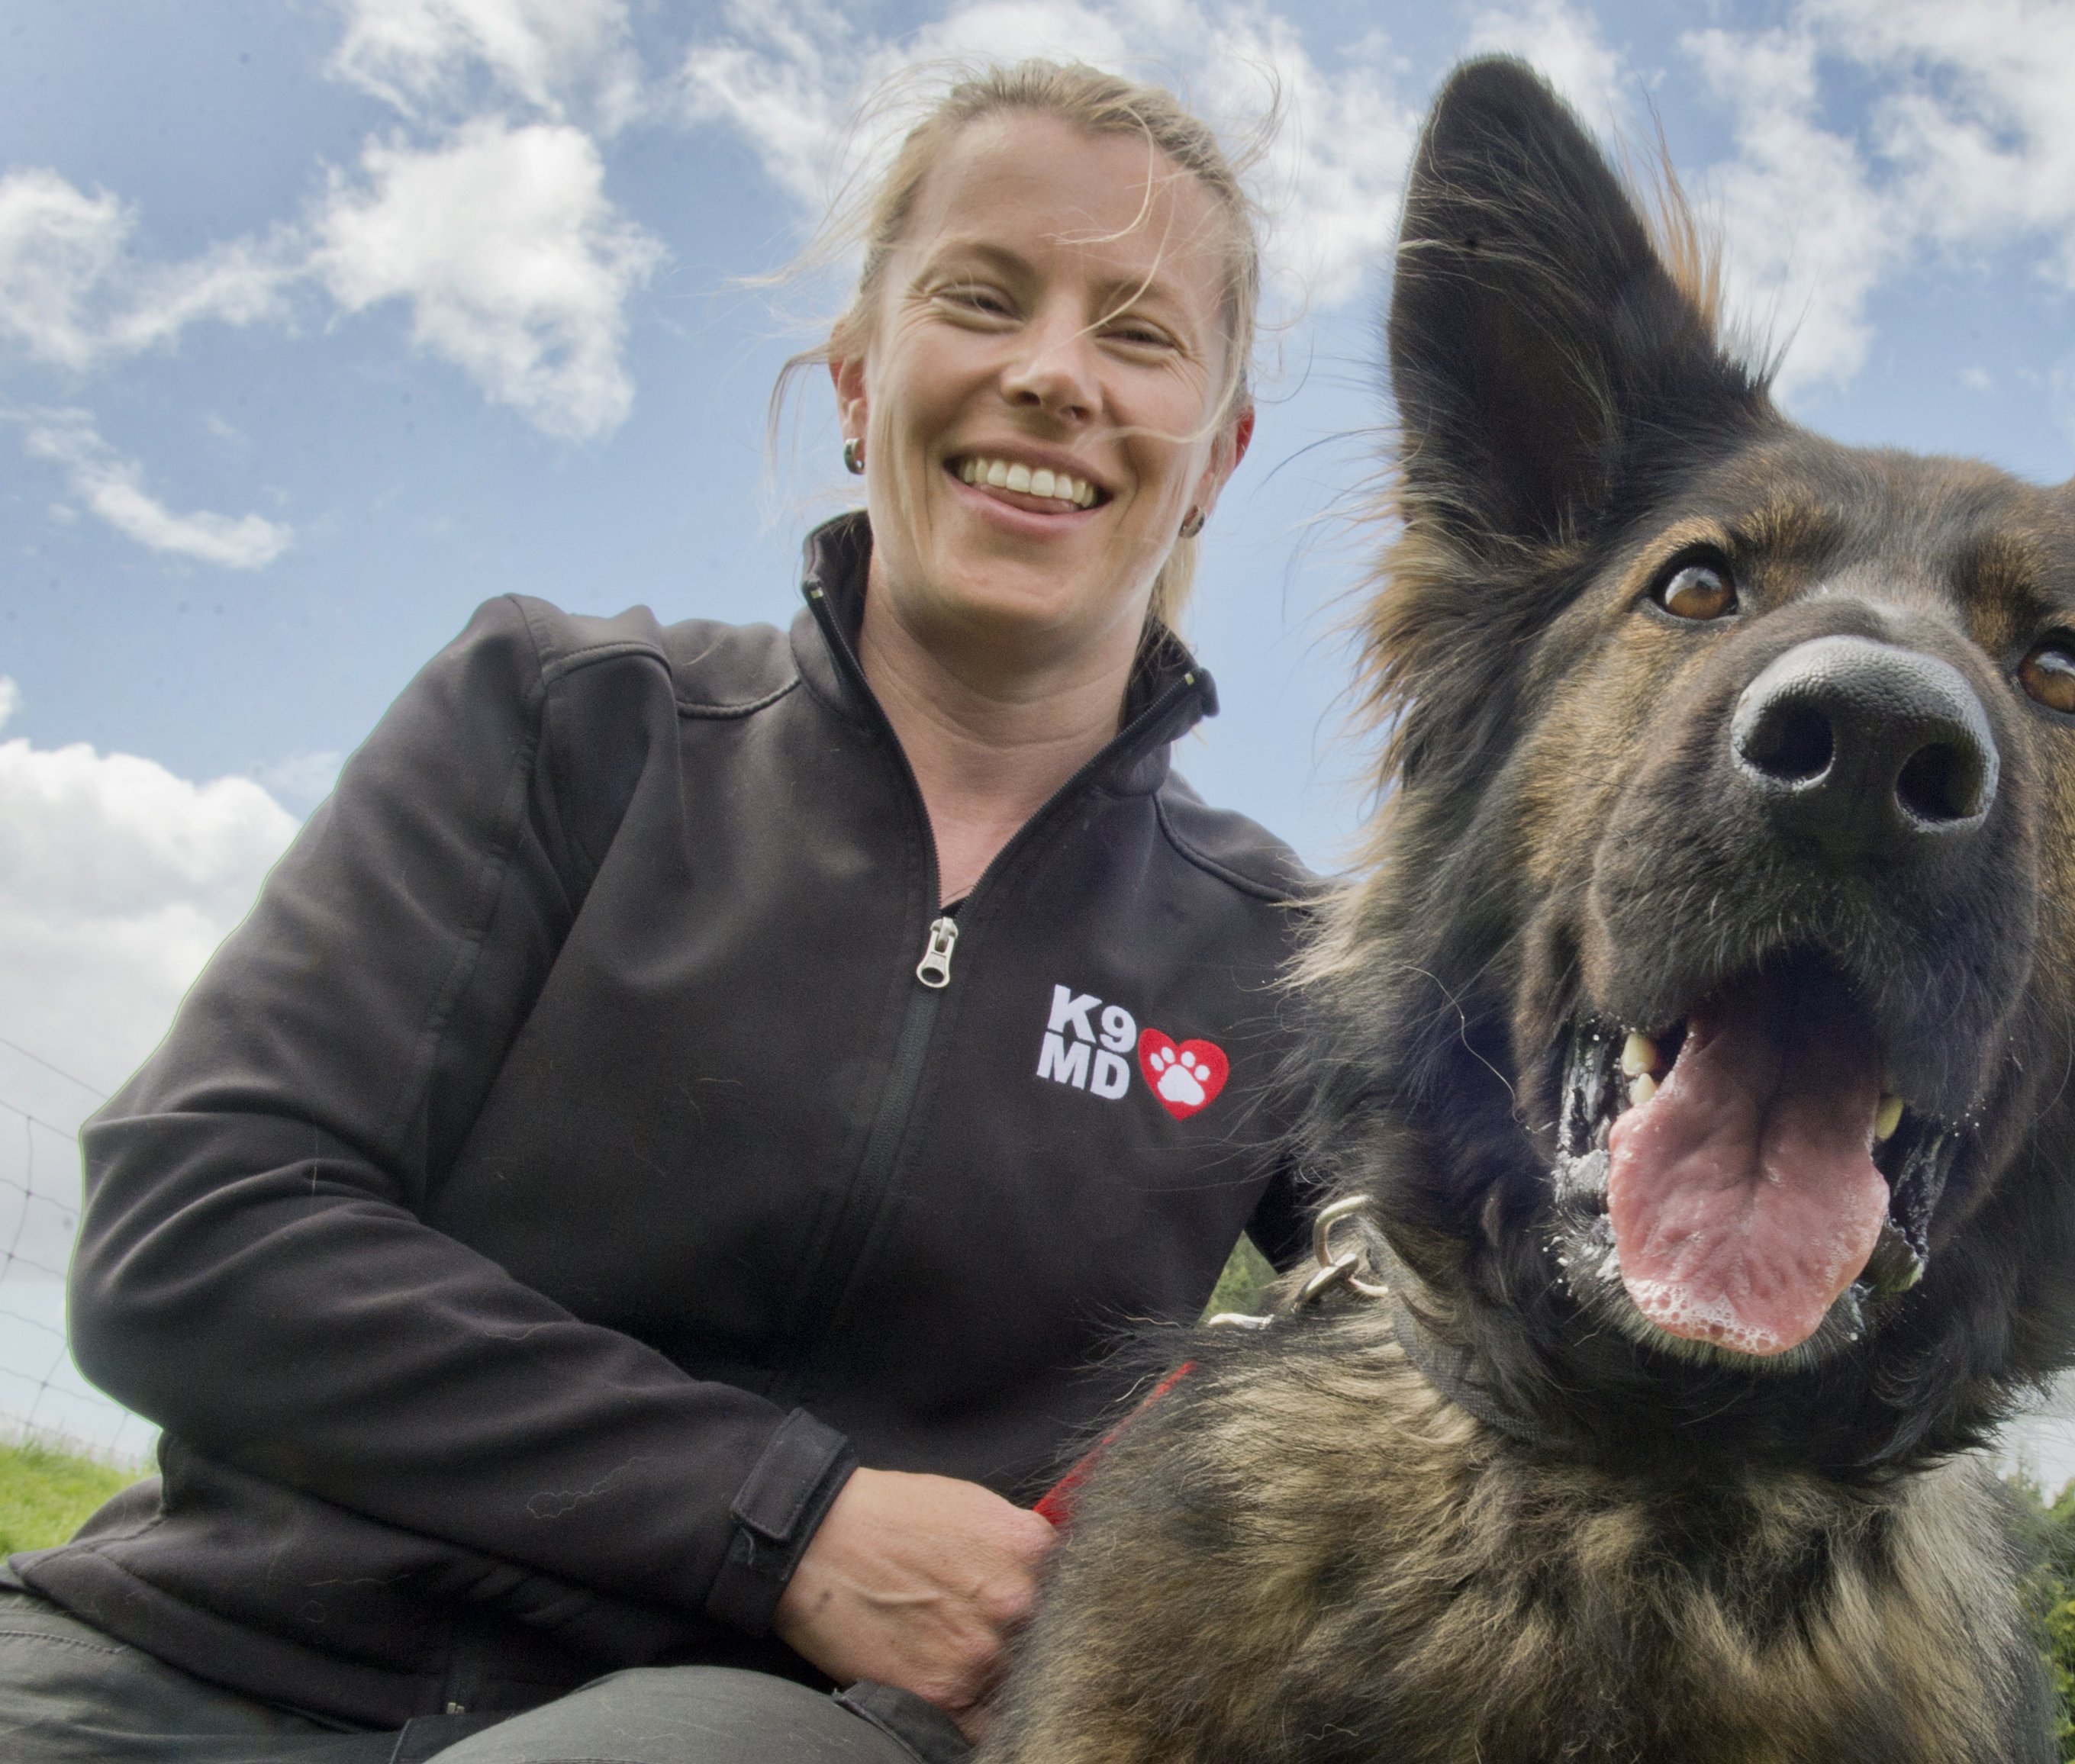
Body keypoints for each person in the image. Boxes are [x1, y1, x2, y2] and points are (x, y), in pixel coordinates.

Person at [0, 60, 1313, 1764]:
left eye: (1137, 334)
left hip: (769, 1732)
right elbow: (195, 1228)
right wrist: (791, 1519)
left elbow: (1533, 1322)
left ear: (1214, 454)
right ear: (858, 381)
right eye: (980, 299)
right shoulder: (559, 717)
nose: (1051, 373)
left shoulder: (1291, 963)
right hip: (207, 1654)